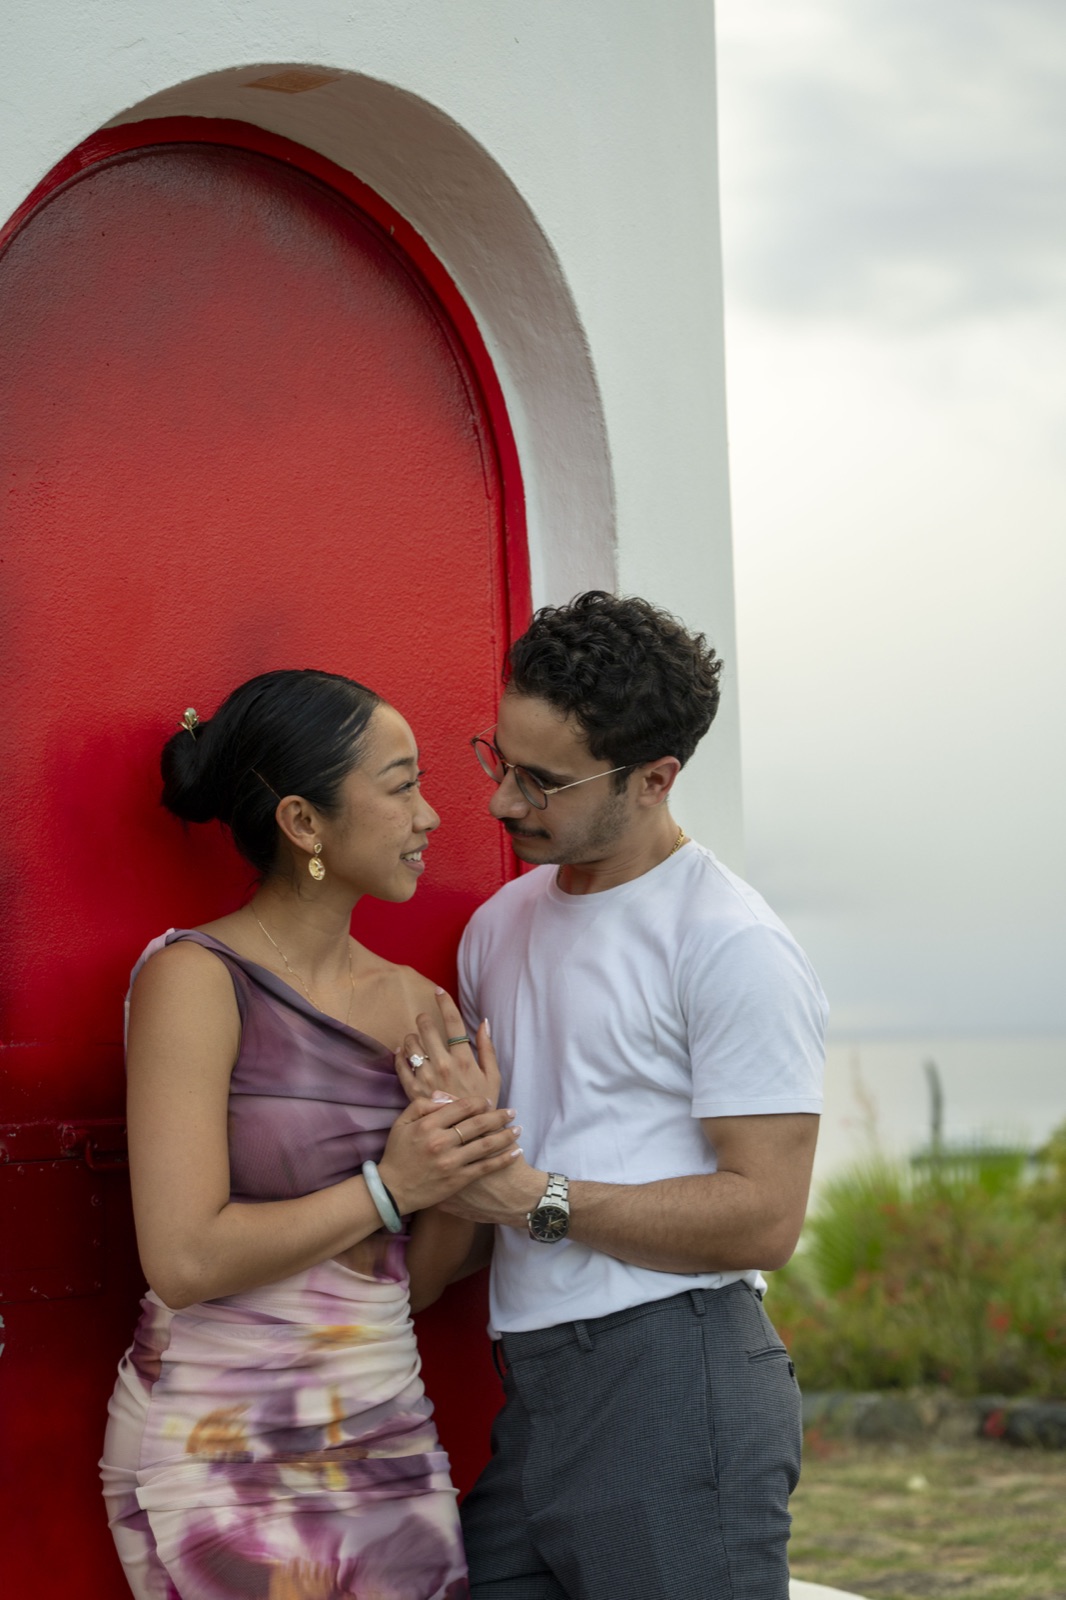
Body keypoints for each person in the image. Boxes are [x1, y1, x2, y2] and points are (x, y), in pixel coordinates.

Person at [100, 668, 521, 1600]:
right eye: (402, 785)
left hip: (386, 1432)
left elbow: (417, 1280)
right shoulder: (195, 979)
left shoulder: (422, 1005)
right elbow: (183, 1258)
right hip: (220, 1445)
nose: (433, 819)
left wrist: (467, 1157)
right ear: (304, 823)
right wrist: (392, 1185)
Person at [443, 592, 828, 1600]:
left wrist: (536, 1198)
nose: (501, 801)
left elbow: (764, 1216)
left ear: (655, 778)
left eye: (542, 780)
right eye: (498, 758)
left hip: (673, 1376)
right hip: (532, 1392)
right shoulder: (495, 928)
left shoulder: (730, 943)